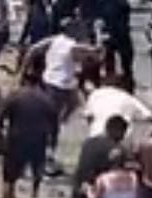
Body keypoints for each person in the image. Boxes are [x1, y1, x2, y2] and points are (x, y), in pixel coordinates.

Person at [26, 20, 103, 169]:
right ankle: (46, 156)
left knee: (72, 106)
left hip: (51, 81)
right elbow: (94, 52)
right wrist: (98, 33)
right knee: (54, 122)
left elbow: (34, 48)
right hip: (60, 86)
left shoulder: (55, 40)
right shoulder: (72, 45)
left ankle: (49, 141)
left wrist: (25, 67)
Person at [0, 58, 58, 198]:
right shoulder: (47, 100)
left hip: (16, 140)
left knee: (9, 177)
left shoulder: (15, 95)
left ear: (24, 80)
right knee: (36, 174)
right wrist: (53, 145)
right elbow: (55, 127)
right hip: (38, 142)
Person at [82, 81, 152, 137]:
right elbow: (150, 117)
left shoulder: (96, 94)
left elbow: (88, 117)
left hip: (95, 135)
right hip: (119, 140)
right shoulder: (128, 98)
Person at [98, 0, 135, 91]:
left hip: (116, 35)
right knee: (123, 65)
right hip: (118, 35)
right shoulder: (121, 4)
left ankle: (120, 86)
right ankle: (126, 86)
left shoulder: (108, 4)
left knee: (116, 65)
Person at [17, 0, 54, 70]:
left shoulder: (53, 7)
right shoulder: (35, 7)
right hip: (36, 38)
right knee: (35, 62)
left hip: (48, 41)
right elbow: (28, 24)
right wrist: (22, 40)